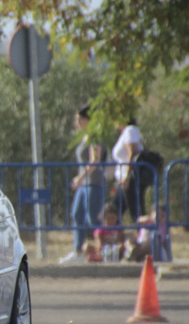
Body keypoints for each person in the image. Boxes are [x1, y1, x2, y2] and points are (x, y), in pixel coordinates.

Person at [60, 105, 106, 264]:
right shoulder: (84, 137)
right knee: (77, 215)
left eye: (79, 119)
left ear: (88, 120)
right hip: (84, 184)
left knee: (93, 219)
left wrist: (80, 177)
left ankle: (107, 249)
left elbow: (95, 160)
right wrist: (79, 179)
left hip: (93, 182)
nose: (77, 122)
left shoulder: (94, 136)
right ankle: (78, 251)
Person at [112, 117, 144, 222]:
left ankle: (146, 235)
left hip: (131, 178)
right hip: (123, 179)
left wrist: (128, 176)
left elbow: (133, 153)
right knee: (114, 210)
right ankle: (114, 236)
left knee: (135, 212)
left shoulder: (130, 130)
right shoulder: (125, 133)